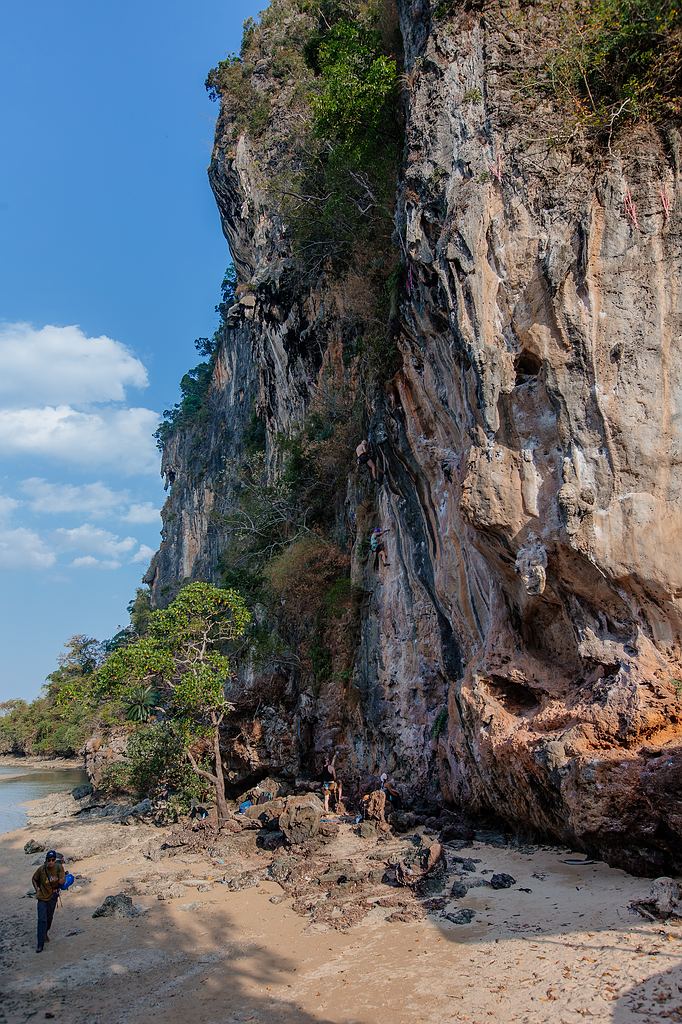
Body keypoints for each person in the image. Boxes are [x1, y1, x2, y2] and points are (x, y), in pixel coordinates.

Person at [32, 850, 65, 952]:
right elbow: (34, 879)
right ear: (46, 860)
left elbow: (62, 879)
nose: (51, 862)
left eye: (53, 860)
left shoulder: (59, 867)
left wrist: (61, 881)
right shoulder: (41, 870)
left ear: (55, 860)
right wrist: (37, 890)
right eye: (49, 860)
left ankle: (45, 932)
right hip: (42, 897)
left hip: (53, 897)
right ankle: (40, 944)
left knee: (49, 918)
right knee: (42, 919)